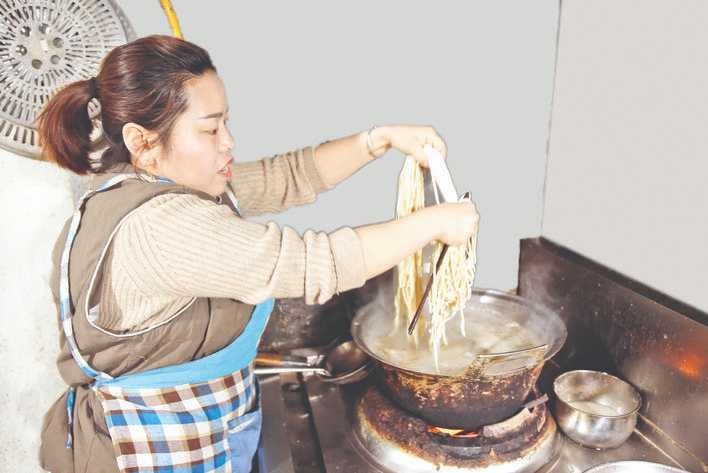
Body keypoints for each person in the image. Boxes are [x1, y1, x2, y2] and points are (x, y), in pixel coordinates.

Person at [37, 34, 479, 473]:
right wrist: (432, 224)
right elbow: (310, 263)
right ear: (142, 141)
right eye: (210, 129)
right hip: (152, 448)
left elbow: (288, 176)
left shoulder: (158, 182)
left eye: (226, 122)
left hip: (200, 423)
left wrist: (376, 140)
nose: (228, 141)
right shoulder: (158, 228)